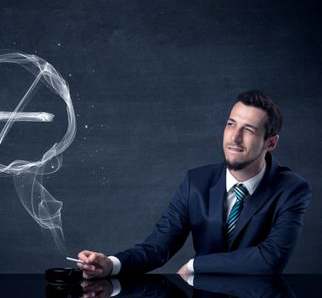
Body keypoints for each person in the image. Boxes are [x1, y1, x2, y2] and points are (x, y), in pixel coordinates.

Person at [76, 90, 311, 279]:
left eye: (248, 130)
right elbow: (158, 247)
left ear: (271, 142)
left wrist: (196, 265)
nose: (234, 138)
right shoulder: (195, 182)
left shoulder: (291, 189)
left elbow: (269, 259)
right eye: (231, 124)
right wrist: (110, 264)